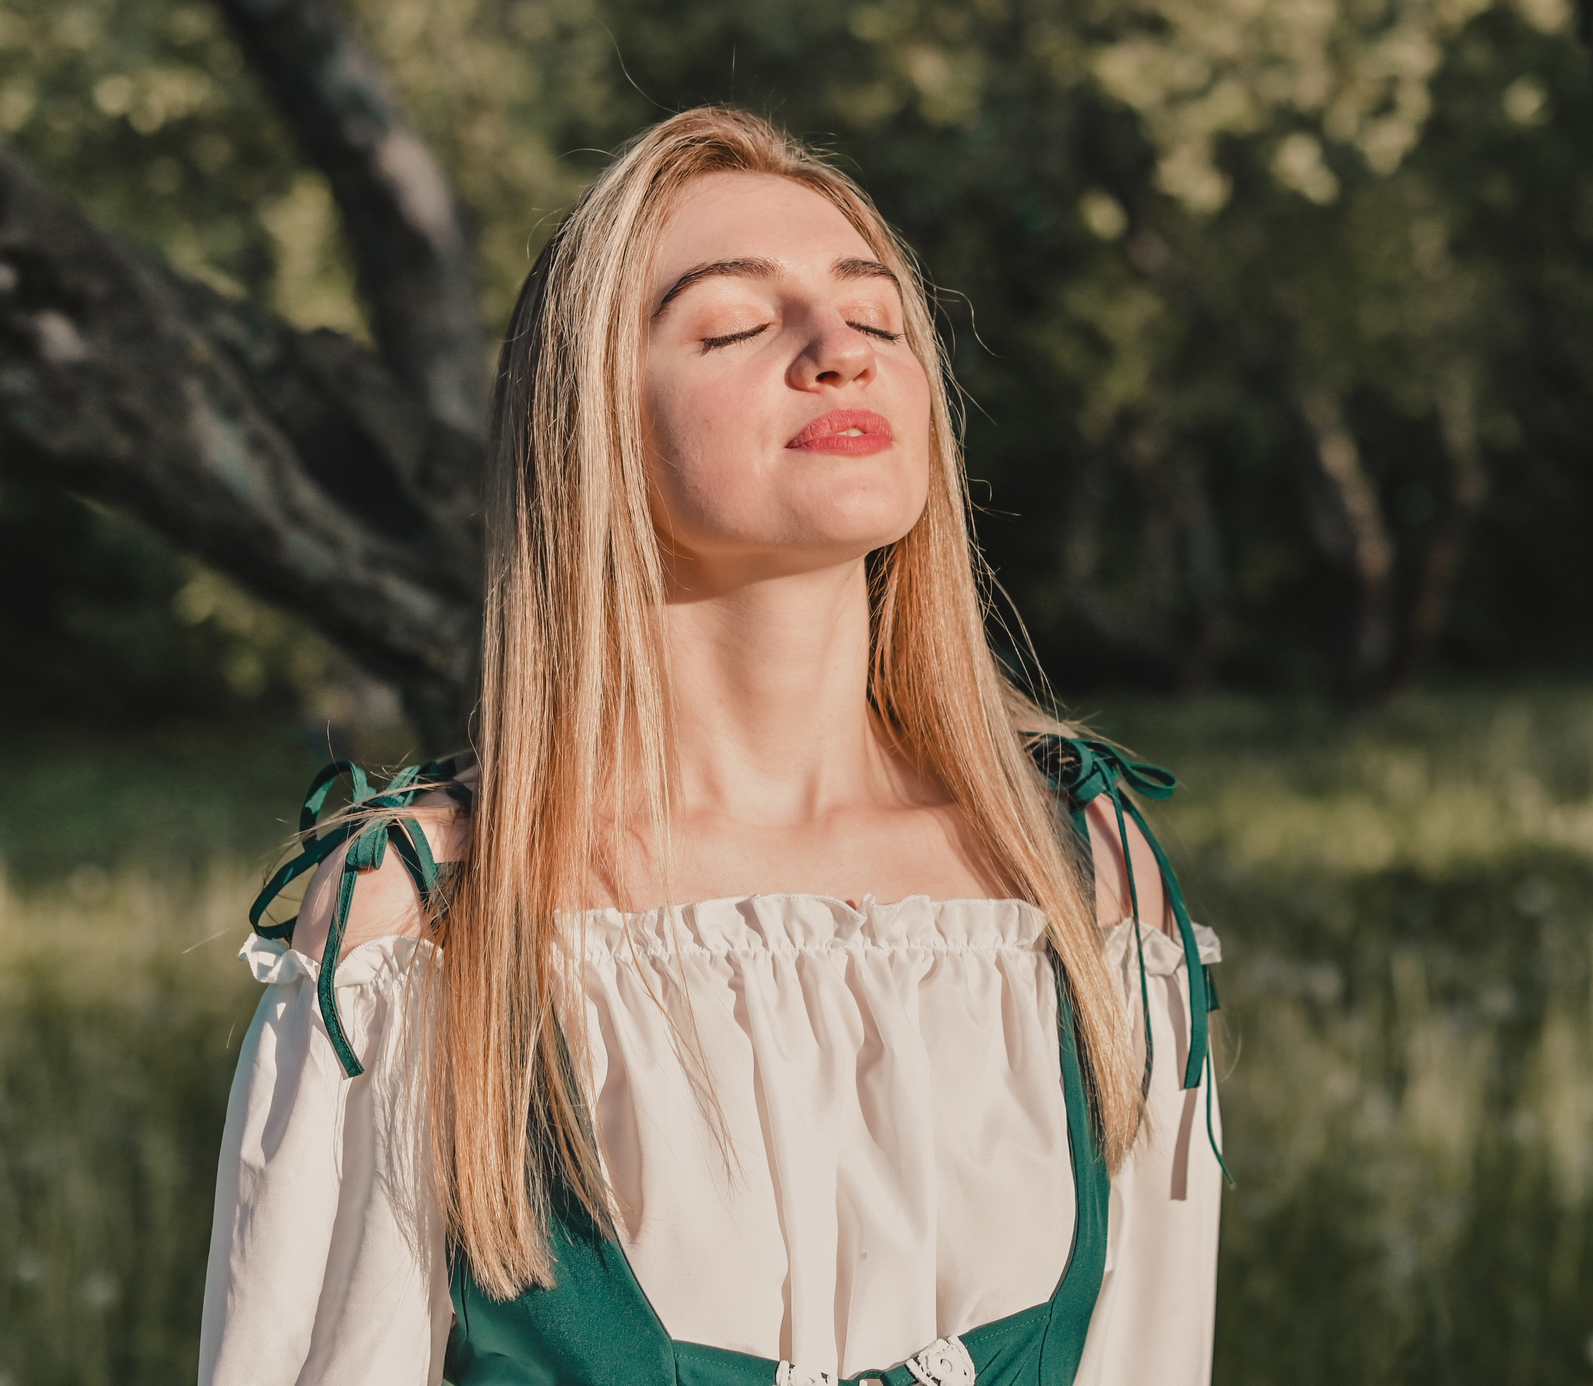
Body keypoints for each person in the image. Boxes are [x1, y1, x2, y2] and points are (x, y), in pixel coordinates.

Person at [196, 107, 1224, 1386]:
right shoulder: (428, 916)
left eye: (877, 318)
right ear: (593, 429)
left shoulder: (1082, 879)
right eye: (735, 325)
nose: (837, 353)